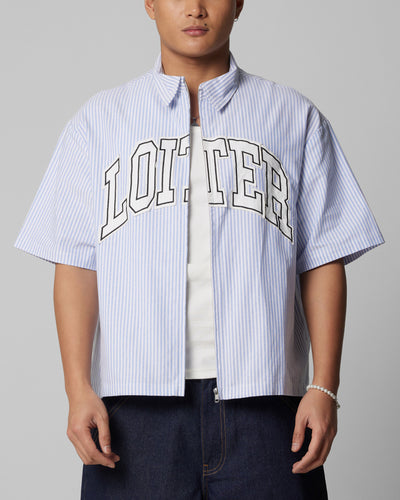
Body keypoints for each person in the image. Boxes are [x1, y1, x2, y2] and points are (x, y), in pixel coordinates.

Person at [14, 0, 385, 498]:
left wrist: (324, 387)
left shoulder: (293, 117)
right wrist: (78, 388)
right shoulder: (99, 122)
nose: (195, 8)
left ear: (239, 4)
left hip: (266, 404)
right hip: (134, 411)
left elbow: (323, 259)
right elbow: (77, 264)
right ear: (150, 4)